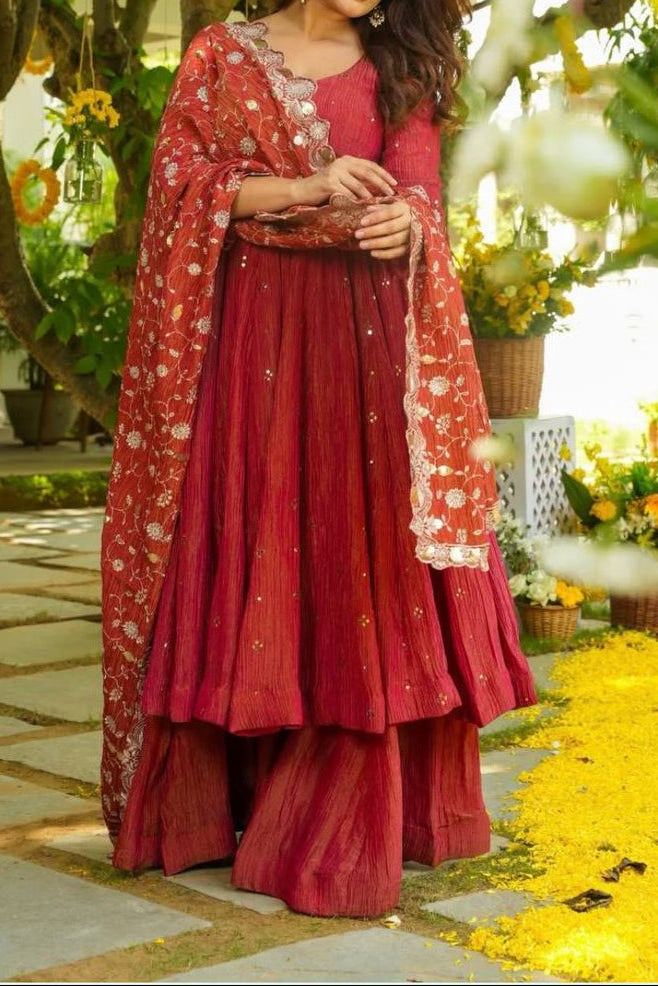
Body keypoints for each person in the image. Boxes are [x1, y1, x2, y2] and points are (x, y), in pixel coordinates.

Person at [100, 0, 537, 918]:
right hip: (249, 342)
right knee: (257, 546)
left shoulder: (403, 61)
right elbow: (179, 184)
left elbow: (420, 193)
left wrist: (407, 225)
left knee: (352, 564)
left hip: (364, 347)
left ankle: (345, 817)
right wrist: (306, 185)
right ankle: (223, 805)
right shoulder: (221, 55)